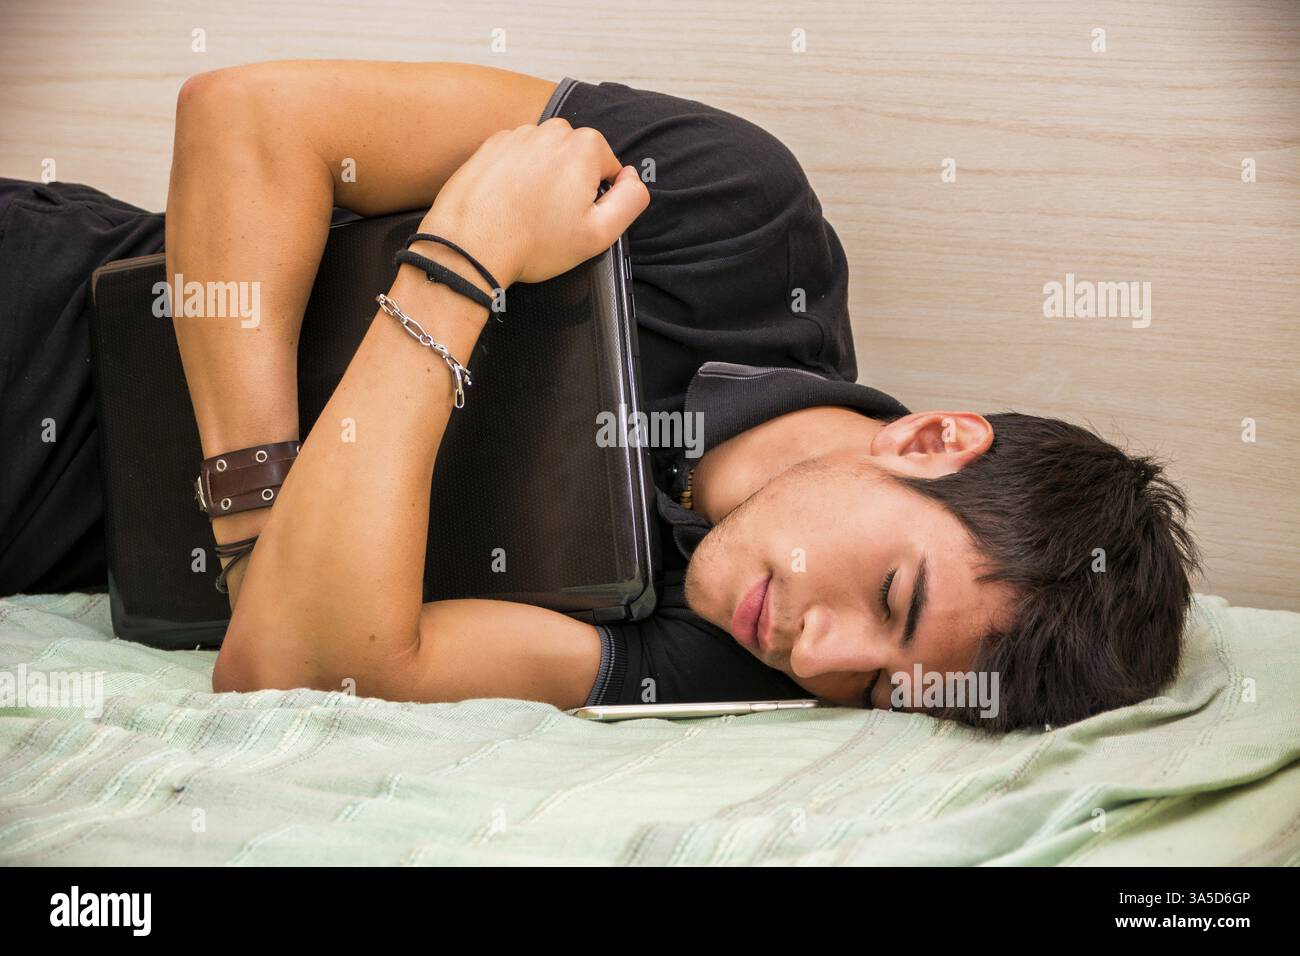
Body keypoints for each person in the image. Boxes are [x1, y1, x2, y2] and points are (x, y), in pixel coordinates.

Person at [0, 61, 1202, 733]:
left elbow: (303, 666)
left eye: (886, 687)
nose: (819, 651)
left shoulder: (741, 652)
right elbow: (247, 121)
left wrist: (461, 264)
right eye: (890, 595)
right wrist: (265, 536)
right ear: (931, 440)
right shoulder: (735, 224)